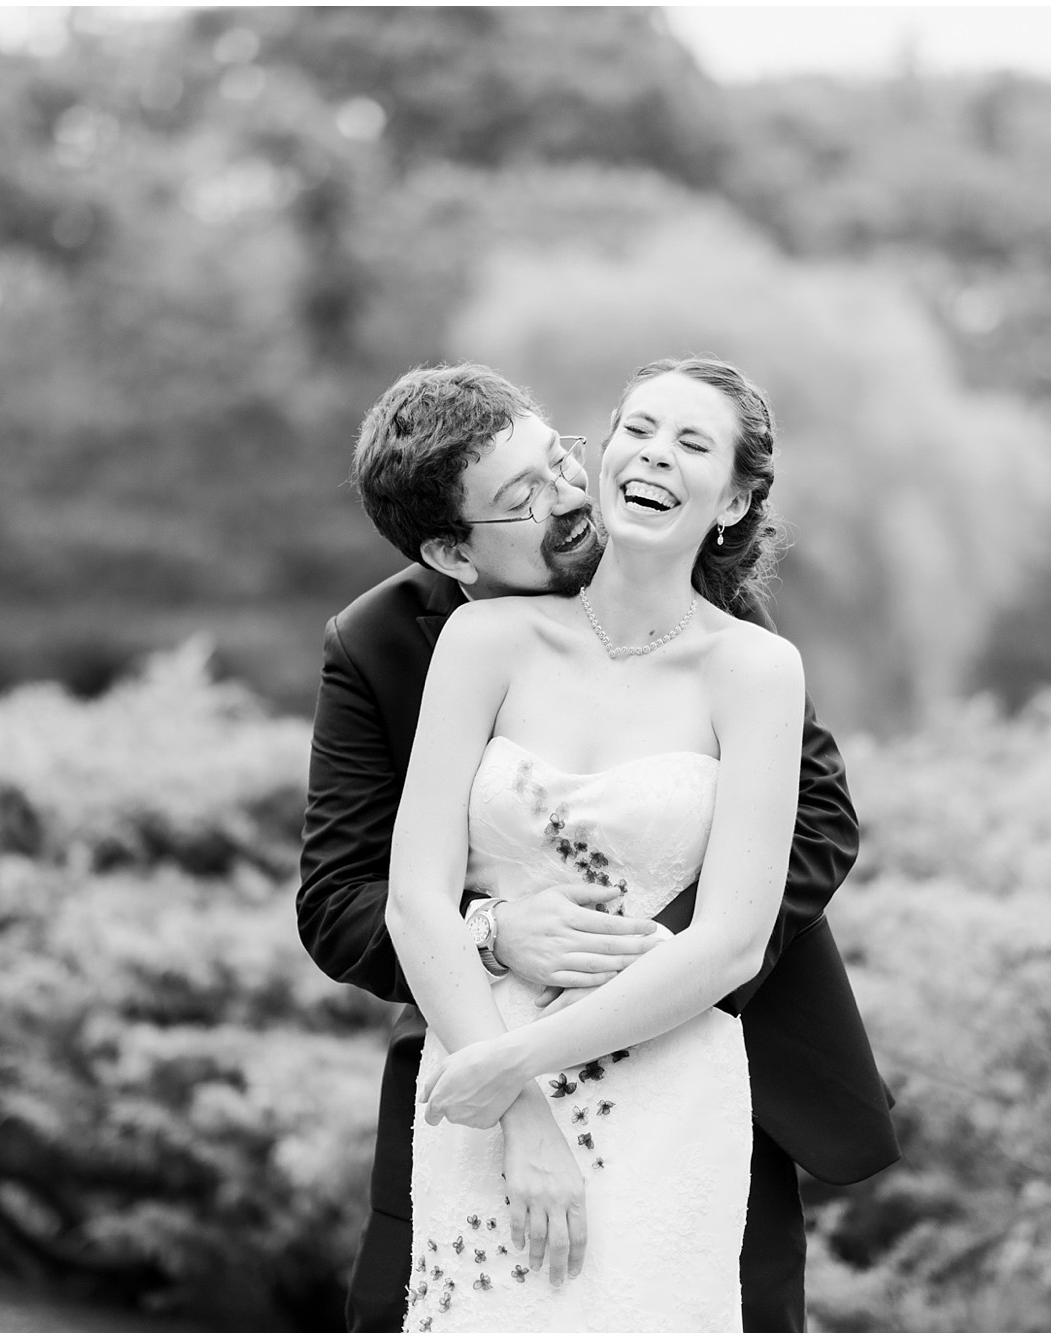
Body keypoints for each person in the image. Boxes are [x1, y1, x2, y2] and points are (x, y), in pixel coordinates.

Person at [297, 361, 900, 1332]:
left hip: (687, 1043)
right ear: (456, 551)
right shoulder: (398, 643)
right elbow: (344, 899)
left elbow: (818, 821)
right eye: (524, 497)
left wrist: (625, 957)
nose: (570, 494)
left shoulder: (717, 623)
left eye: (559, 458)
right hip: (472, 1047)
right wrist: (499, 940)